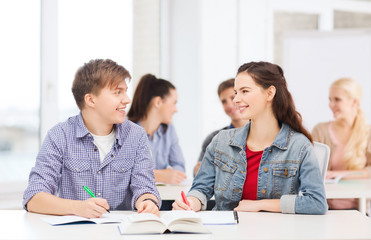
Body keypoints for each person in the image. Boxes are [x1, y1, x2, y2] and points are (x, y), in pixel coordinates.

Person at [173, 61, 328, 214]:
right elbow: (200, 189)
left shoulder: (299, 146)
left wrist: (260, 205)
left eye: (245, 91)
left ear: (270, 93)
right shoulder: (221, 141)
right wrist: (191, 203)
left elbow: (316, 202)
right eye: (236, 92)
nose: (235, 99)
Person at [23, 59, 161, 218]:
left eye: (125, 91)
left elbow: (145, 187)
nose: (127, 99)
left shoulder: (136, 135)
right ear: (91, 100)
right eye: (118, 92)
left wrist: (147, 202)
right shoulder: (59, 135)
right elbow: (34, 197)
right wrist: (77, 207)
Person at [312, 78, 371, 210]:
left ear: (354, 102)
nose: (331, 104)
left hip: (359, 209)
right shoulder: (321, 131)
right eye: (330, 99)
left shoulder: (368, 134)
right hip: (325, 208)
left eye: (337, 99)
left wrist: (338, 174)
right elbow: (309, 166)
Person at [127, 74, 186, 185]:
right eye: (174, 103)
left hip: (163, 197)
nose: (176, 110)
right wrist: (157, 175)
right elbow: (120, 173)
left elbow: (180, 167)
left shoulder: (169, 131)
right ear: (158, 102)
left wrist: (169, 174)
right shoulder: (125, 130)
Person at [193, 78, 249, 176]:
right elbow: (199, 175)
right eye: (224, 101)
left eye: (232, 98)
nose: (229, 105)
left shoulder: (262, 135)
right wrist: (198, 170)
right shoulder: (214, 138)